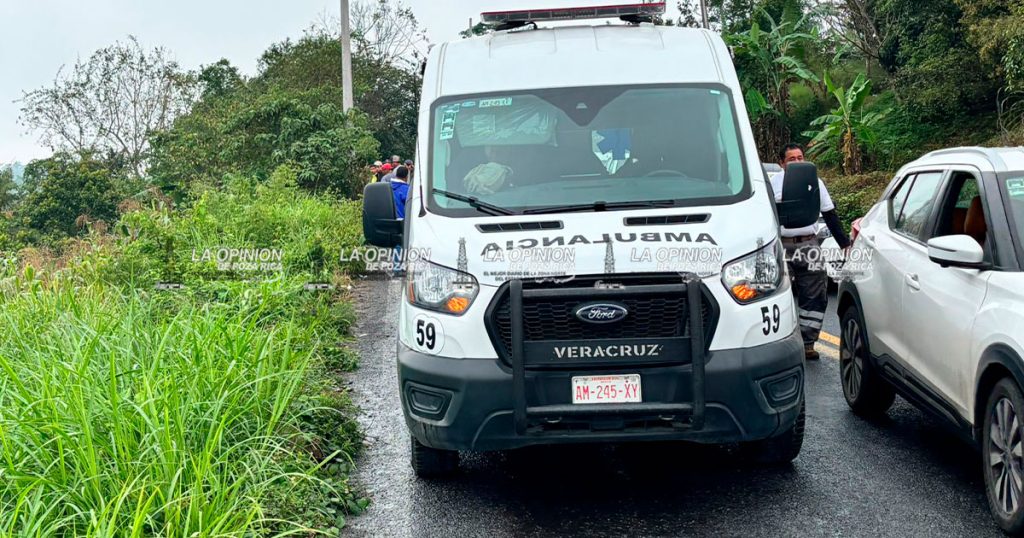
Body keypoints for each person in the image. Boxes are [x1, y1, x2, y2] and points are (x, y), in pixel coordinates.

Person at [770, 143, 851, 361]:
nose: (797, 162)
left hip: (809, 244)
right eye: (791, 159)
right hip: (779, 245)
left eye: (800, 157)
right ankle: (777, 344)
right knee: (775, 292)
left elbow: (830, 213)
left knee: (815, 294)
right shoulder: (771, 184)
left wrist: (845, 244)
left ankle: (807, 343)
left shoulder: (816, 182)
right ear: (782, 163)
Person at [391, 166, 411, 274]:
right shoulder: (405, 189)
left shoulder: (389, 186)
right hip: (402, 219)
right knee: (401, 244)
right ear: (406, 176)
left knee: (395, 244)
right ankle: (398, 268)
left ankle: (396, 266)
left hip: (390, 218)